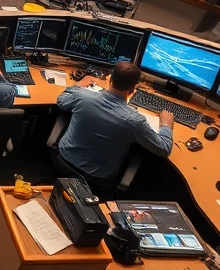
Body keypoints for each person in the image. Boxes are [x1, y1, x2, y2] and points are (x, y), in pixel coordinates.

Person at [54, 61, 174, 194]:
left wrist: (78, 86)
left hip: (62, 161)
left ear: (109, 80)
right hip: (94, 181)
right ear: (134, 89)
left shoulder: (83, 97)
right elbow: (163, 148)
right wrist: (166, 125)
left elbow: (61, 100)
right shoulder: (135, 121)